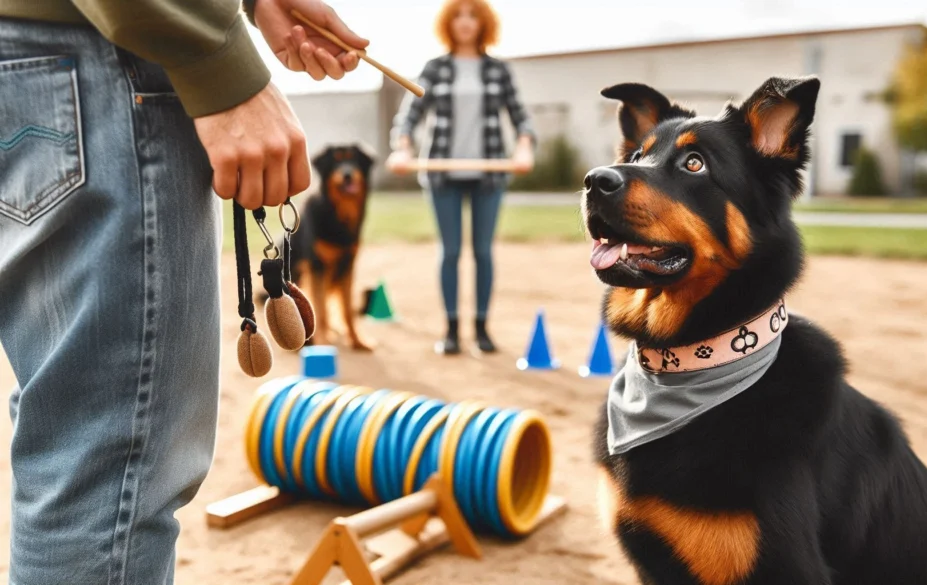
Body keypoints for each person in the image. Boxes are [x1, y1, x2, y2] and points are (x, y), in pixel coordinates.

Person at [0, 0, 366, 582]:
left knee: (75, 444)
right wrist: (216, 56)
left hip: (41, 60)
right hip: (104, 60)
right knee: (110, 473)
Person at [387, 0, 535, 356]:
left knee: (483, 252)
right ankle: (452, 330)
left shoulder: (497, 70)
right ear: (447, 23)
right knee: (450, 252)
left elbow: (520, 117)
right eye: (458, 15)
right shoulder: (434, 69)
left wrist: (525, 147)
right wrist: (403, 148)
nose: (466, 22)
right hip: (442, 175)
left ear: (483, 22)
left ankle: (482, 329)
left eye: (473, 15)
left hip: (489, 176)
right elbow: (409, 117)